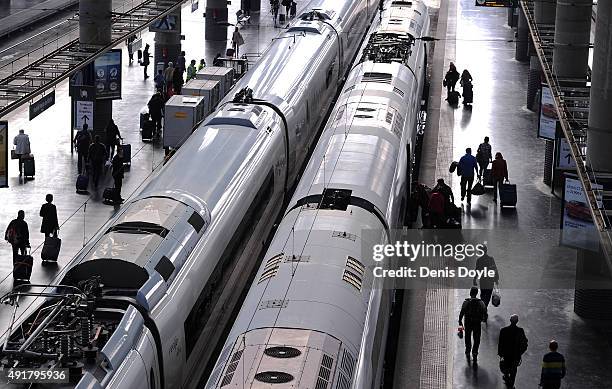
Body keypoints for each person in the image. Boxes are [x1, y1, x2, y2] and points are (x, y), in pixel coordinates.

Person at [498, 314, 528, 388]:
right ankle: (511, 384)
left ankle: (506, 376)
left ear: (510, 320)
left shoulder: (503, 330)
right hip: (516, 355)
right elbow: (525, 343)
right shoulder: (520, 331)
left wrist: (500, 353)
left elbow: (500, 343)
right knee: (514, 370)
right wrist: (520, 352)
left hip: (506, 354)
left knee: (506, 366)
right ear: (517, 321)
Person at [458, 287, 487, 364]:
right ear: (477, 293)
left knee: (467, 336)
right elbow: (485, 313)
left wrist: (460, 322)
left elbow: (462, 313)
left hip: (468, 323)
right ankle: (475, 352)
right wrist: (482, 319)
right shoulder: (481, 303)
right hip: (477, 323)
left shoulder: (466, 302)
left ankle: (468, 350)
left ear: (470, 293)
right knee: (477, 338)